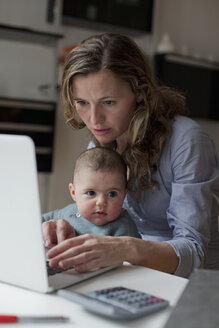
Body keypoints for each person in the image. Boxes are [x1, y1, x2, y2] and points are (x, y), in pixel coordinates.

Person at [44, 33, 219, 278]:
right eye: (82, 102)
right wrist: (66, 226)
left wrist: (124, 248)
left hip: (193, 284)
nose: (94, 119)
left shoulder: (187, 142)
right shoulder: (101, 142)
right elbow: (99, 216)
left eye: (108, 102)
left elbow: (193, 252)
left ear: (139, 91)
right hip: (131, 272)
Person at [42, 147, 140, 244]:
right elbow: (36, 220)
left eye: (112, 194)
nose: (101, 201)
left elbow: (135, 256)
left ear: (123, 195)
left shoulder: (125, 229)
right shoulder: (69, 212)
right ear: (73, 193)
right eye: (91, 193)